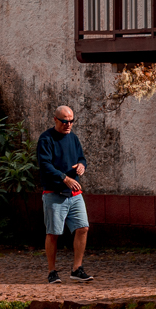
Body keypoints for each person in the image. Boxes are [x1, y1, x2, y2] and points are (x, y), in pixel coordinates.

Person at [36, 105, 92, 283]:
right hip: (54, 193)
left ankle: (77, 268)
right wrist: (64, 178)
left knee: (83, 227)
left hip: (74, 194)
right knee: (53, 233)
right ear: (55, 120)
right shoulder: (46, 139)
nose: (68, 125)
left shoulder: (73, 138)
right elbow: (45, 164)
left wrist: (82, 165)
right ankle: (52, 271)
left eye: (71, 121)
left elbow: (81, 157)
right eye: (65, 121)